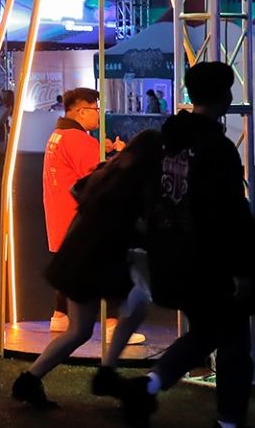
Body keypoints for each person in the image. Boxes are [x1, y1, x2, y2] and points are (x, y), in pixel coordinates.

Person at [115, 61, 255, 428]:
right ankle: (227, 426)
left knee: (208, 333)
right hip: (210, 262)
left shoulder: (166, 142)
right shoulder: (217, 149)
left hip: (173, 257)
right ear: (224, 97)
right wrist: (242, 268)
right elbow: (228, 213)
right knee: (233, 344)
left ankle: (149, 388)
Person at [12, 130, 163, 409]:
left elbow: (76, 190)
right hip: (99, 262)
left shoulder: (108, 170)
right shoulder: (138, 183)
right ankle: (106, 372)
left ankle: (31, 380)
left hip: (78, 256)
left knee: (80, 330)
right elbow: (138, 226)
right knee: (136, 306)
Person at [41, 88, 107, 332]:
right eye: (96, 109)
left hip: (60, 213)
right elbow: (99, 176)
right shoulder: (80, 140)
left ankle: (60, 316)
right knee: (107, 266)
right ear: (81, 111)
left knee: (70, 266)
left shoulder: (58, 135)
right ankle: (112, 325)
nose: (99, 114)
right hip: (80, 215)